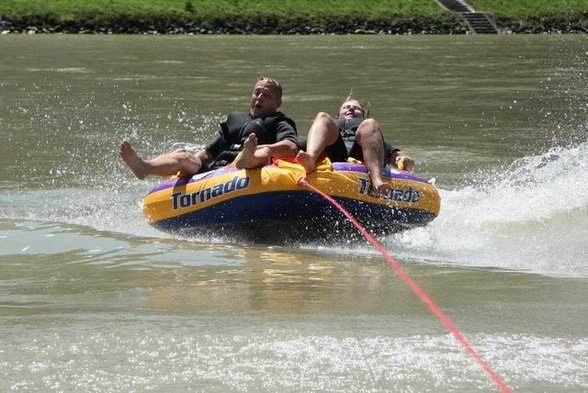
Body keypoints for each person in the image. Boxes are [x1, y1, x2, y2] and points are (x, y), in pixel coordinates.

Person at [119, 77, 299, 179]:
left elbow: (291, 147)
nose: (259, 98)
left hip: (250, 170)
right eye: (256, 92)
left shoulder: (279, 121)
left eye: (266, 95)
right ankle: (144, 167)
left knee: (260, 155)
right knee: (183, 154)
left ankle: (247, 156)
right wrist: (187, 168)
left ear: (278, 103)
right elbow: (208, 153)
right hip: (218, 173)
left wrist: (257, 148)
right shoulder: (235, 119)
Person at [296, 97, 414, 194]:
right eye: (346, 107)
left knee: (370, 123)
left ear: (363, 114)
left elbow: (405, 161)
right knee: (322, 116)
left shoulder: (371, 131)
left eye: (356, 108)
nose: (351, 108)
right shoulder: (328, 129)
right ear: (338, 115)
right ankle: (310, 158)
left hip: (363, 157)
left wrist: (402, 159)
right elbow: (293, 147)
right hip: (333, 155)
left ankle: (377, 181)